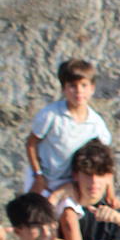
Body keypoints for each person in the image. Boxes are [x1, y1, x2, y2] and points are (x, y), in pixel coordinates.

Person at [25, 59, 112, 196]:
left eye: (84, 85)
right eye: (72, 86)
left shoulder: (96, 125)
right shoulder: (50, 115)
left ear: (92, 88)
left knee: (68, 216)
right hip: (43, 179)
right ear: (63, 88)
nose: (78, 91)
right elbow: (31, 144)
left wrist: (110, 194)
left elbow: (105, 161)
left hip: (70, 184)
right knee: (33, 214)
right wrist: (38, 175)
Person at [58, 140, 120, 240]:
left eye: (100, 174)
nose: (94, 181)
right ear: (75, 175)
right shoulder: (59, 210)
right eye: (88, 174)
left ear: (109, 177)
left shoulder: (117, 216)